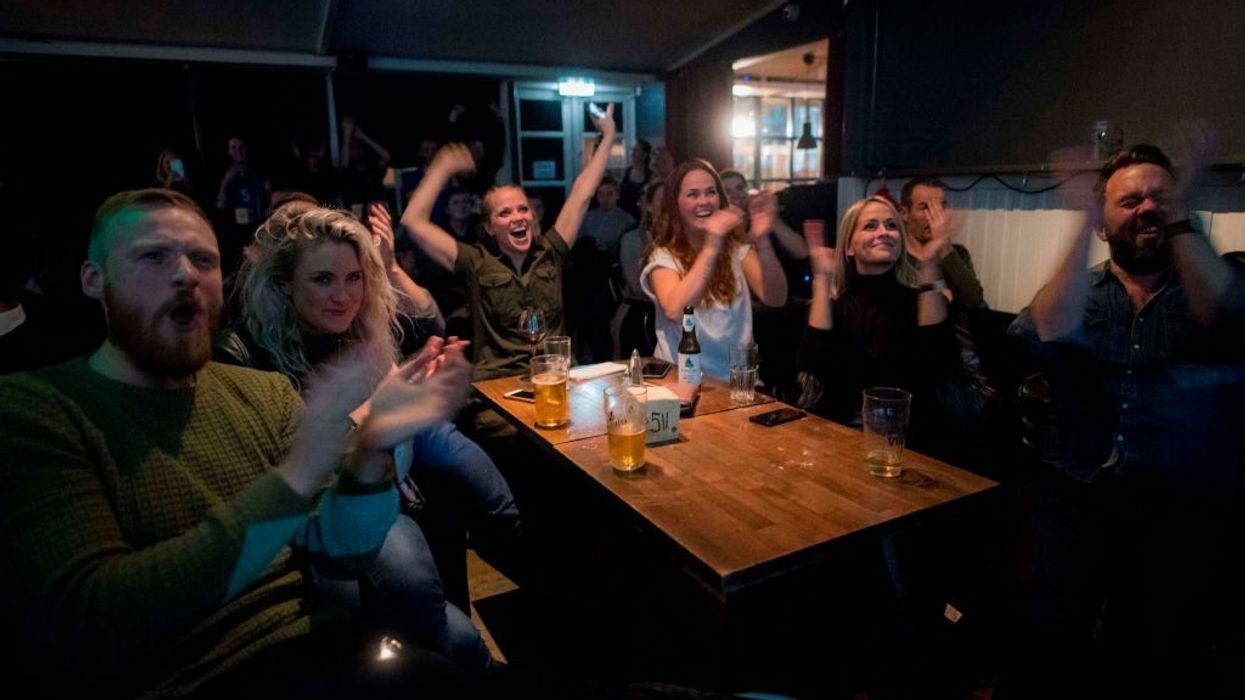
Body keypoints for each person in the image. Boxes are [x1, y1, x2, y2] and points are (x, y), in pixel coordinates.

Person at [0, 188, 477, 697]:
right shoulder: (33, 409)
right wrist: (301, 468)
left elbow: (343, 554)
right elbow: (93, 625)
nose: (185, 273)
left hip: (318, 657)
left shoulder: (261, 392)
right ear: (94, 279)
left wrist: (376, 443)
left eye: (202, 258)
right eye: (153, 255)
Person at [1001, 141, 1245, 699]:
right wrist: (1080, 225)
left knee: (1153, 652)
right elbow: (1038, 335)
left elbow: (1228, 321)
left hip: (1177, 496)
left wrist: (1180, 214)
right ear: (1106, 225)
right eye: (1129, 201)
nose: (1147, 209)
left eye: (1161, 197)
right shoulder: (1086, 290)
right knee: (1038, 631)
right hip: (1074, 486)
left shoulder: (1210, 280)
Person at [214, 205, 521, 644]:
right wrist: (379, 414)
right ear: (285, 285)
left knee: (477, 483)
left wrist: (415, 389)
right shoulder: (247, 355)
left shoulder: (357, 329)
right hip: (327, 506)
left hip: (383, 479)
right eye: (323, 280)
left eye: (353, 278)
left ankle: (531, 571)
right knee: (442, 621)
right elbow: (298, 471)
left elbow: (429, 323)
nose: (343, 295)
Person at [401, 104, 617, 380]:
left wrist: (608, 134)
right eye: (505, 213)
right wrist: (442, 167)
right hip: (499, 389)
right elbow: (413, 221)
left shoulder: (549, 251)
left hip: (556, 382)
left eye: (522, 209)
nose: (518, 217)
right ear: (490, 227)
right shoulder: (475, 262)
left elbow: (582, 193)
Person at [794, 195, 958, 447]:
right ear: (849, 247)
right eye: (871, 226)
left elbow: (938, 362)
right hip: (843, 433)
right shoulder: (835, 305)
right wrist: (822, 279)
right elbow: (814, 365)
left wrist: (930, 264)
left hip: (912, 435)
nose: (884, 232)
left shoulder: (922, 299)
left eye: (892, 226)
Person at [640, 159, 787, 381]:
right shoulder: (663, 255)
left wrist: (762, 237)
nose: (704, 201)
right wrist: (712, 245)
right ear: (675, 204)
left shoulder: (736, 248)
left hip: (739, 382)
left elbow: (776, 298)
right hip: (682, 380)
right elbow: (676, 311)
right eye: (693, 194)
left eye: (711, 193)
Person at [617, 179, 664, 356]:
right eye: (662, 199)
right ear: (650, 206)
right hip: (640, 315)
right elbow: (638, 288)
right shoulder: (632, 239)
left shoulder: (682, 240)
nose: (669, 204)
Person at [618, 138, 652, 218]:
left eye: (636, 150)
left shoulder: (650, 175)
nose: (632, 154)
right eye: (633, 150)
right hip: (625, 214)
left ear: (644, 155)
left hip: (641, 214)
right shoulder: (627, 172)